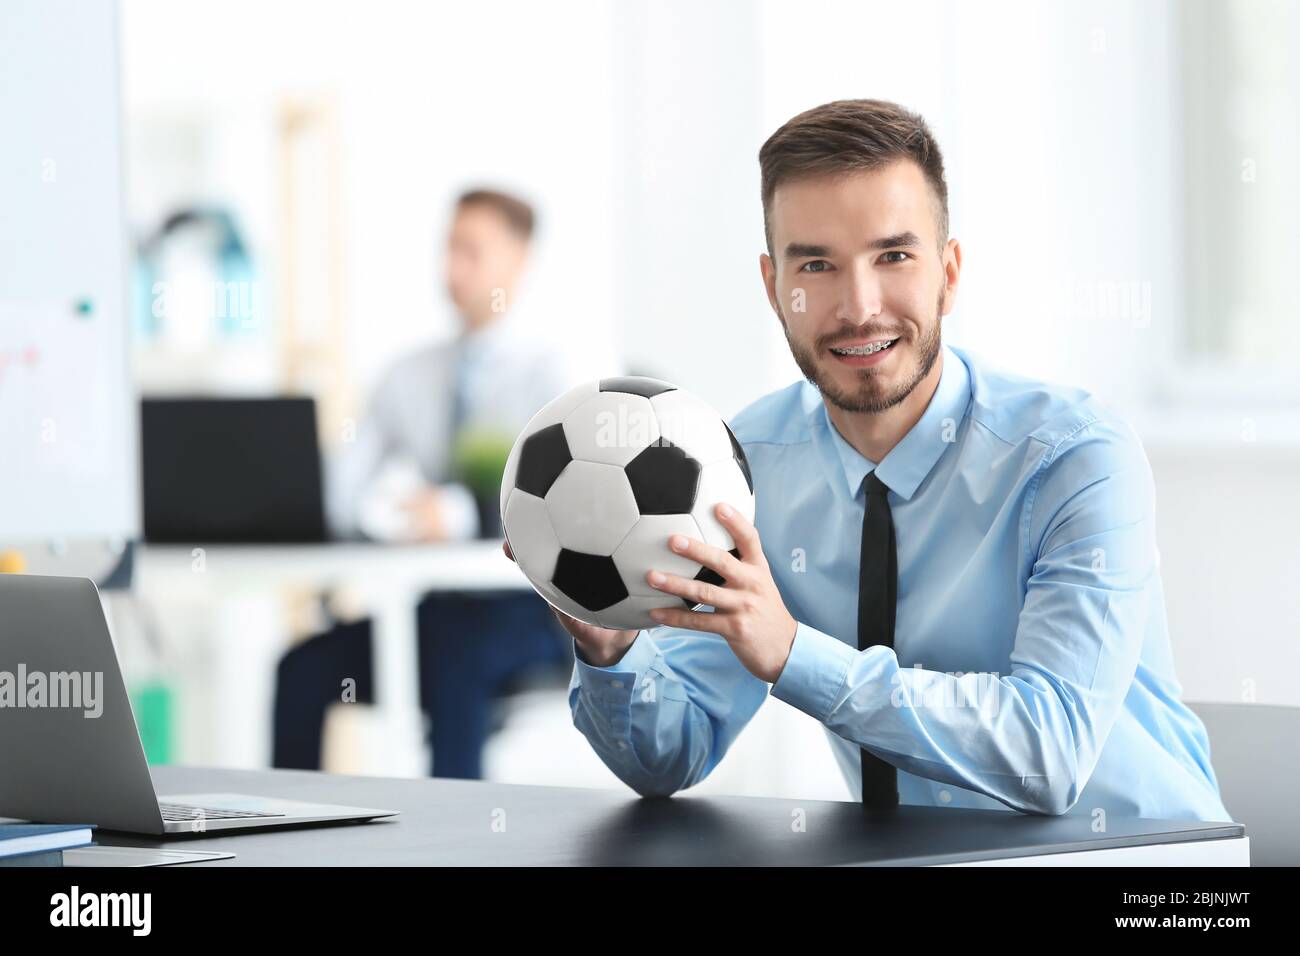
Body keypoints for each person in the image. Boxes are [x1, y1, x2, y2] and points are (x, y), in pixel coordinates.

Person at [516, 99, 1230, 820]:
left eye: (893, 256)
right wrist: (612, 652)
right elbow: (672, 753)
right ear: (775, 289)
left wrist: (794, 655)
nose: (859, 307)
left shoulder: (1077, 460)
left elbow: (1049, 751)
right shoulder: (742, 467)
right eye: (818, 265)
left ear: (949, 272)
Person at [274, 188, 577, 779]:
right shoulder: (407, 375)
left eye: (471, 252)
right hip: (436, 608)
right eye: (448, 248)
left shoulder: (558, 374)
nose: (451, 270)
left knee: (453, 661)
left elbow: (571, 506)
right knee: (303, 669)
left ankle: (452, 849)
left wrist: (464, 514)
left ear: (519, 260)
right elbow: (343, 489)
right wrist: (368, 512)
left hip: (532, 618)